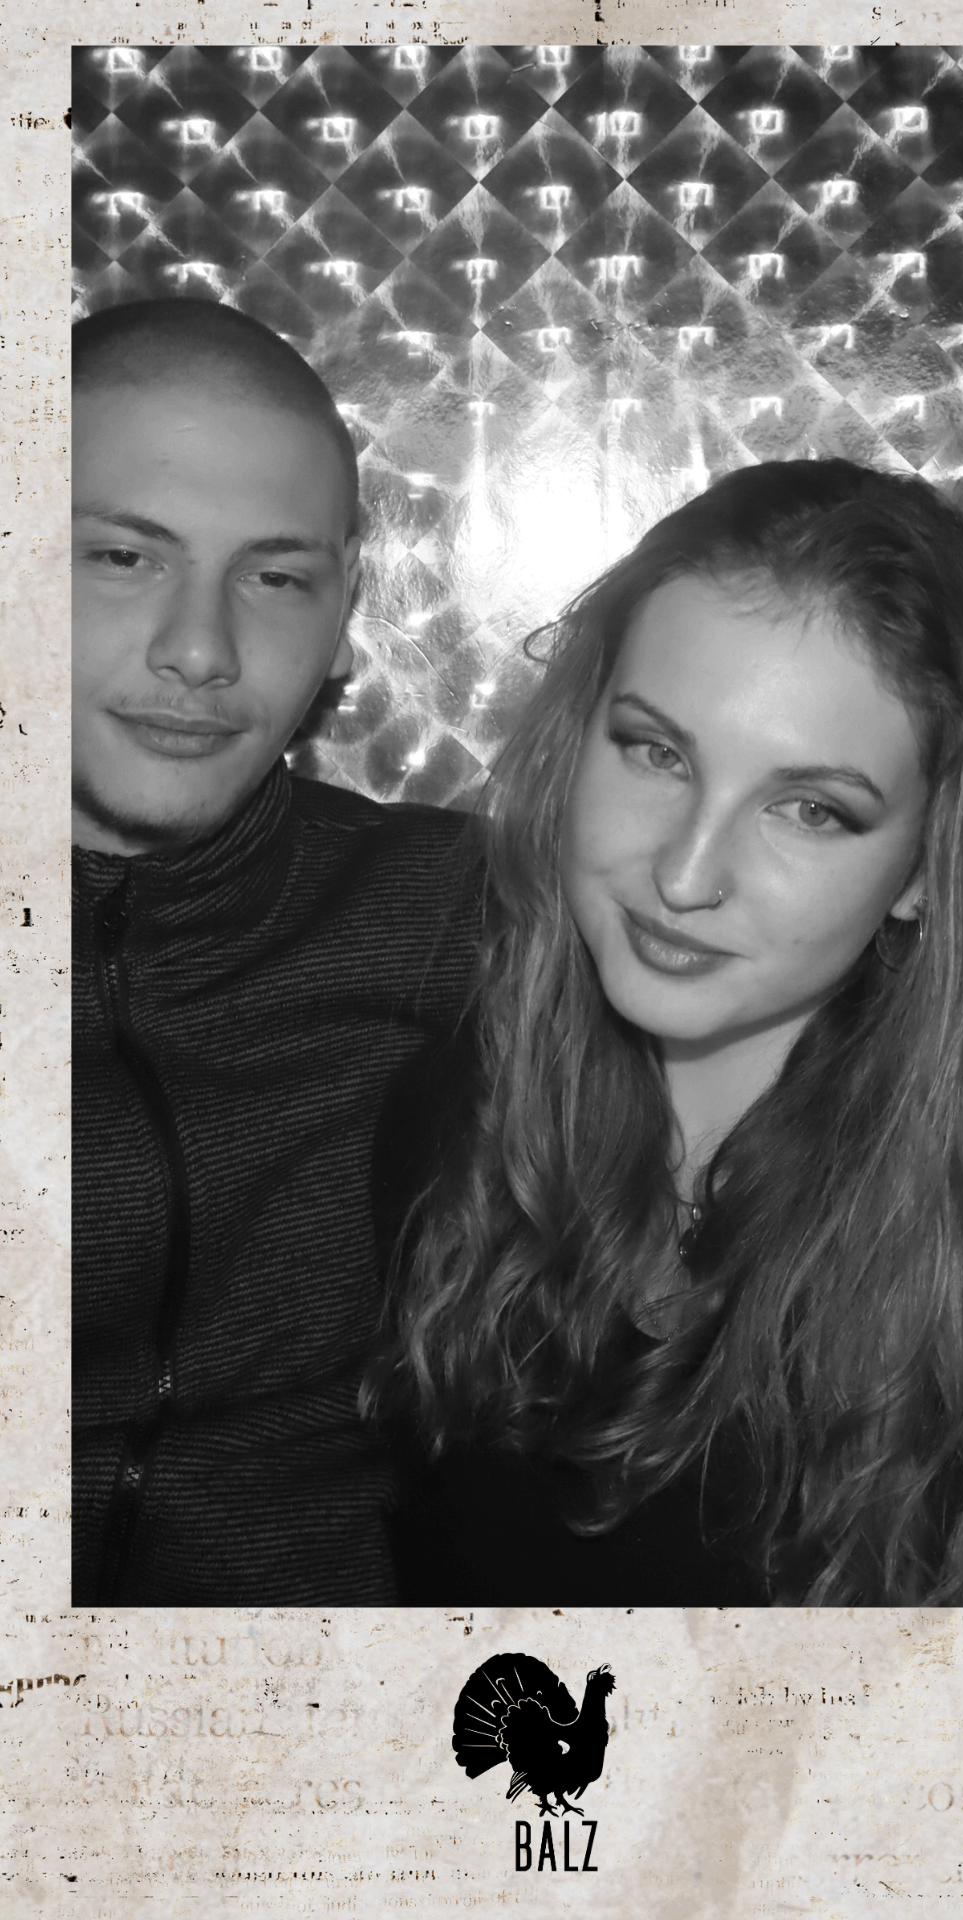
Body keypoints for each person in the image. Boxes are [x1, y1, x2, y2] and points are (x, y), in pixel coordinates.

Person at [366, 458, 963, 1607]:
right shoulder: (446, 1119)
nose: (685, 874)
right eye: (656, 752)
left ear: (925, 868)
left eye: (810, 809)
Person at [72, 298, 479, 1604]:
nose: (200, 650)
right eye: (121, 557)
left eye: (277, 577)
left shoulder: (457, 912)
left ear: (346, 603)